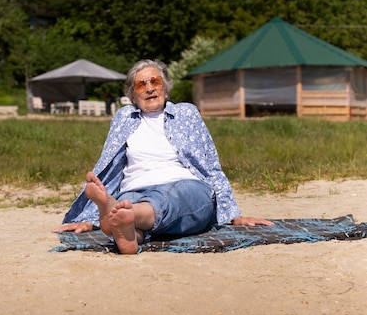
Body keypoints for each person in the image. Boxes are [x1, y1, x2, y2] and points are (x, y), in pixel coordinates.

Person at [55, 59, 273, 254]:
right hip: (134, 188)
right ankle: (130, 235)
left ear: (166, 89)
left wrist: (233, 213)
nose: (150, 88)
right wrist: (88, 218)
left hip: (186, 187)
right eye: (141, 85)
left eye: (155, 82)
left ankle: (123, 214)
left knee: (162, 198)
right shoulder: (123, 118)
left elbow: (210, 163)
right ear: (132, 95)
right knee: (126, 211)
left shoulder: (186, 113)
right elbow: (110, 167)